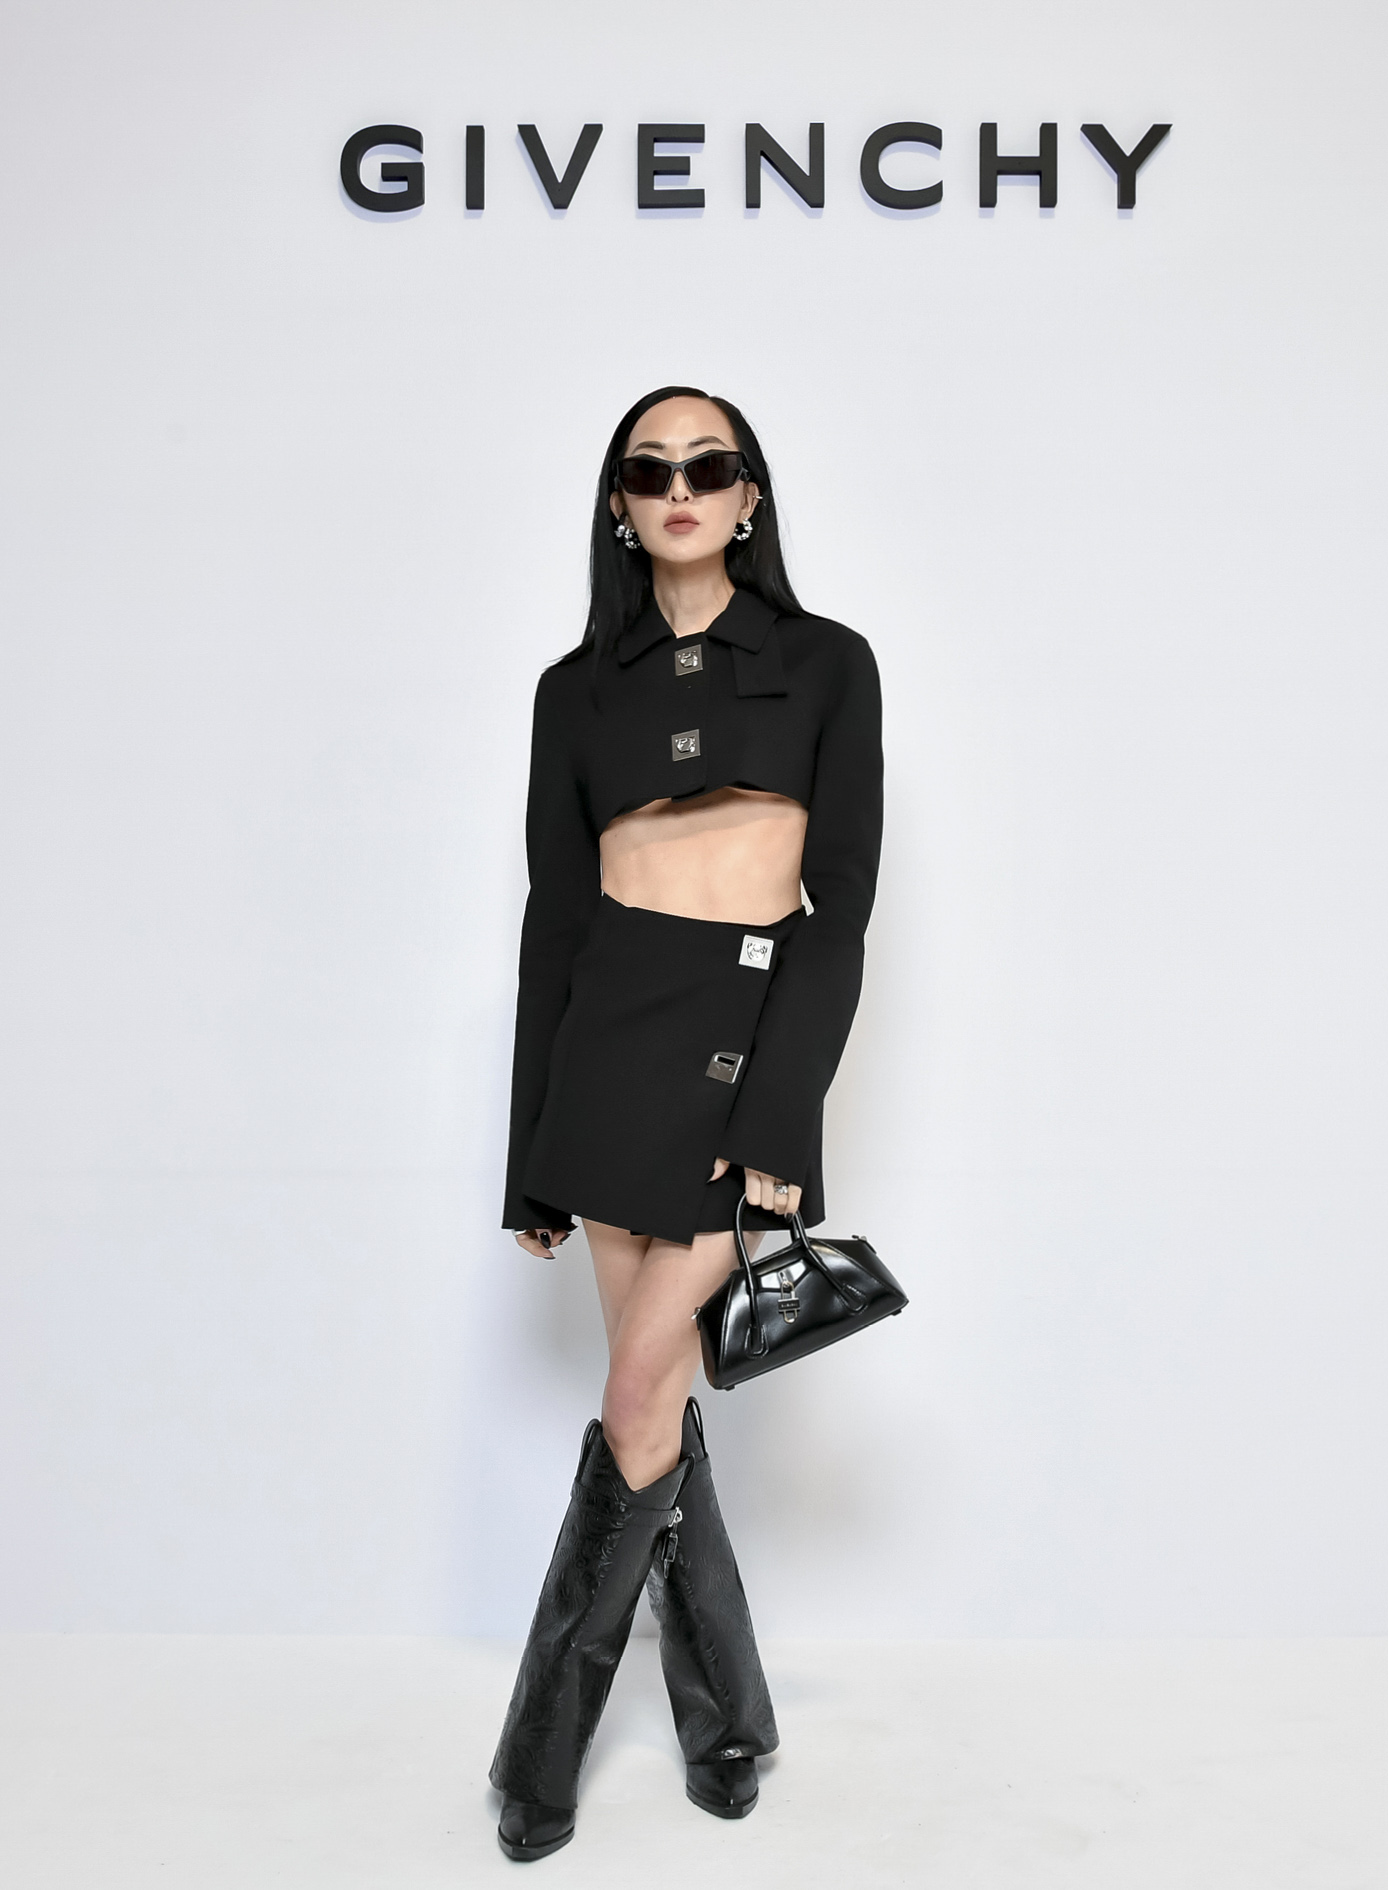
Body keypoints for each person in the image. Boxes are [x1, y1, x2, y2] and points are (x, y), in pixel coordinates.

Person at [488, 385, 883, 1861]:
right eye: (650, 471)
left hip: (742, 1036)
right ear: (619, 503)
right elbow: (553, 926)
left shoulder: (830, 664)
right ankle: (729, 1723)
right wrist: (530, 1150)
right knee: (652, 1405)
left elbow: (841, 907)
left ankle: (540, 1752)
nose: (679, 490)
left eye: (708, 468)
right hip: (608, 1046)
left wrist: (781, 1111)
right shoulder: (574, 689)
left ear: (748, 495)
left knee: (635, 1391)